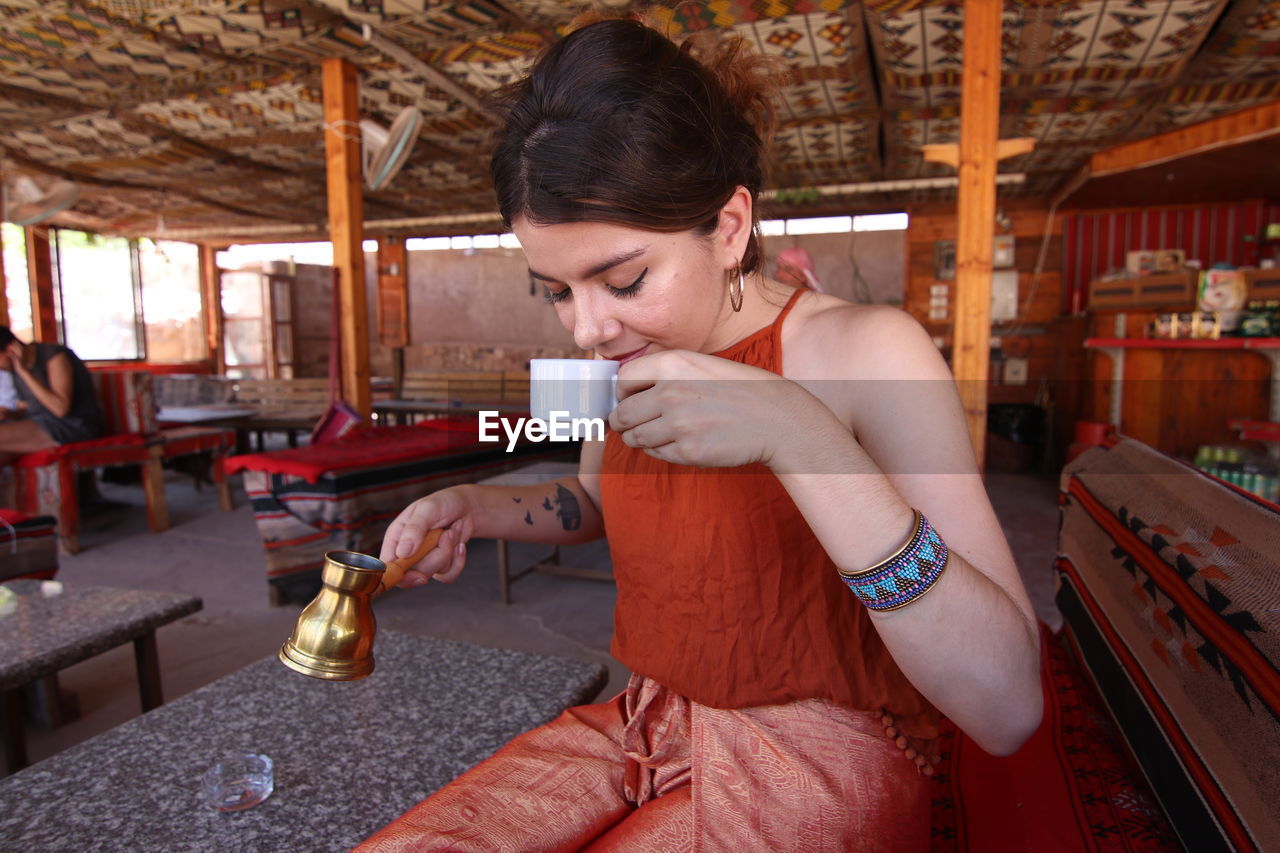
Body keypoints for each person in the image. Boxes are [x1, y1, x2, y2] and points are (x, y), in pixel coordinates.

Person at [361, 15, 1041, 851]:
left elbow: (1007, 704)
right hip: (644, 722)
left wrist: (800, 434)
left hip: (823, 750)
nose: (586, 329)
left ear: (727, 227)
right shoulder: (616, 355)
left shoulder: (869, 350)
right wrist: (475, 504)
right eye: (557, 291)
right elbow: (592, 499)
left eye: (623, 279)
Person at [0, 325, 103, 465]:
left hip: (72, 425)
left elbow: (60, 409)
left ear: (10, 350)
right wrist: (11, 414)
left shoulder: (54, 356)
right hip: (38, 422)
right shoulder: (13, 367)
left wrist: (25, 373)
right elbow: (31, 406)